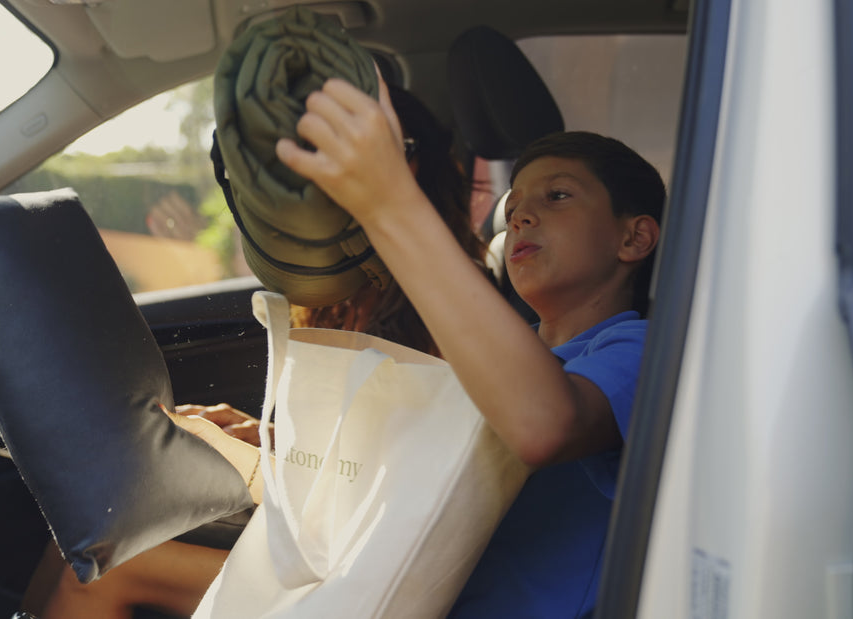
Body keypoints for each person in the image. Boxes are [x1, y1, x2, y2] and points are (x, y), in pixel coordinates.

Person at [21, 84, 487, 619]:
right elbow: (352, 448)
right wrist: (259, 432)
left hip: (366, 561)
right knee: (79, 538)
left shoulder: (449, 308)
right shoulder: (347, 292)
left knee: (98, 572)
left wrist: (249, 461)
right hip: (324, 530)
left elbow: (392, 489)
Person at [268, 77, 664, 616]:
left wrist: (389, 205)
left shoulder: (640, 352)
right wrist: (269, 446)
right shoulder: (510, 351)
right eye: (515, 203)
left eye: (558, 196)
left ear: (633, 239)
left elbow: (546, 424)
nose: (521, 215)